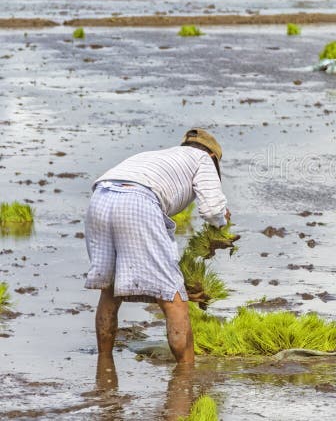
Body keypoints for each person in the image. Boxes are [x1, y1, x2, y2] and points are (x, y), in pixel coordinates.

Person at [84, 128, 230, 364]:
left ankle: (104, 366)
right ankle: (186, 374)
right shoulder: (204, 159)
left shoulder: (159, 156)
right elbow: (212, 210)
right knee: (173, 297)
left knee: (109, 291)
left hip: (100, 198)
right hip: (138, 200)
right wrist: (223, 220)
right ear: (214, 157)